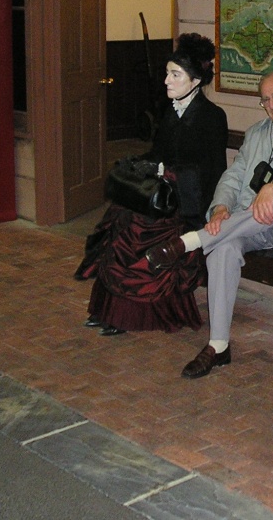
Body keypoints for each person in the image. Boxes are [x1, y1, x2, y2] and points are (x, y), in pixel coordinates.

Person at [146, 69, 273, 378]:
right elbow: (234, 176)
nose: (271, 104)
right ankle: (218, 346)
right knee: (223, 248)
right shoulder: (257, 133)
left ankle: (189, 242)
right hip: (246, 225)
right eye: (265, 99)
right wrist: (221, 206)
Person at [74, 33, 228, 336]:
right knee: (121, 221)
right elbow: (159, 154)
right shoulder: (170, 111)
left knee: (138, 231)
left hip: (186, 205)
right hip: (163, 196)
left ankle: (127, 317)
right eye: (167, 73)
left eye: (175, 75)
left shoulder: (212, 117)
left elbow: (210, 172)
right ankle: (109, 311)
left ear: (195, 81)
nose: (167, 81)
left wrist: (161, 170)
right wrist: (139, 163)